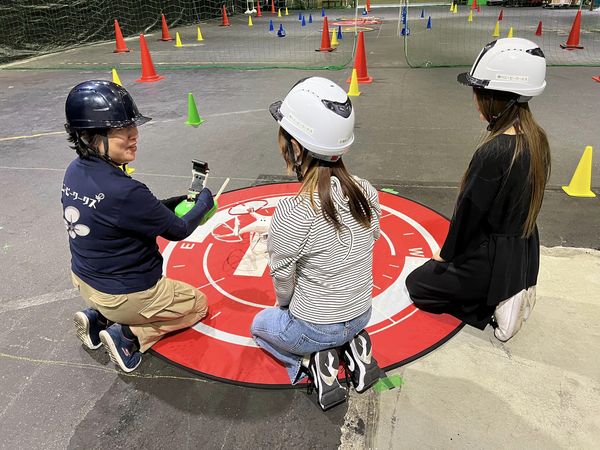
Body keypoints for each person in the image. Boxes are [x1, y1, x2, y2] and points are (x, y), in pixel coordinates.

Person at [62, 80, 215, 372]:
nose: (134, 135)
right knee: (197, 304)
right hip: (125, 294)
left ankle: (98, 318)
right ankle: (128, 336)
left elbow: (128, 212)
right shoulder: (126, 192)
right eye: (121, 129)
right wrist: (203, 203)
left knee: (113, 299)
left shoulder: (74, 171)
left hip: (84, 280)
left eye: (132, 126)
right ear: (89, 136)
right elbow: (178, 230)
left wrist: (169, 203)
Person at [406, 38, 551, 342]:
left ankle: (496, 301)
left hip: (492, 259)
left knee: (417, 285)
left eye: (479, 92)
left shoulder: (494, 152)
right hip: (523, 251)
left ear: (499, 97)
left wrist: (446, 257)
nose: (475, 99)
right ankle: (511, 287)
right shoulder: (537, 138)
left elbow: (469, 215)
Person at [250, 77, 382, 411]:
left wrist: (286, 307)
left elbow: (283, 284)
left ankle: (310, 363)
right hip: (361, 314)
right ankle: (353, 348)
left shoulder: (292, 211)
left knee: (259, 326)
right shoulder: (366, 191)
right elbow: (371, 239)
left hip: (314, 328)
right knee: (336, 327)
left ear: (296, 147)